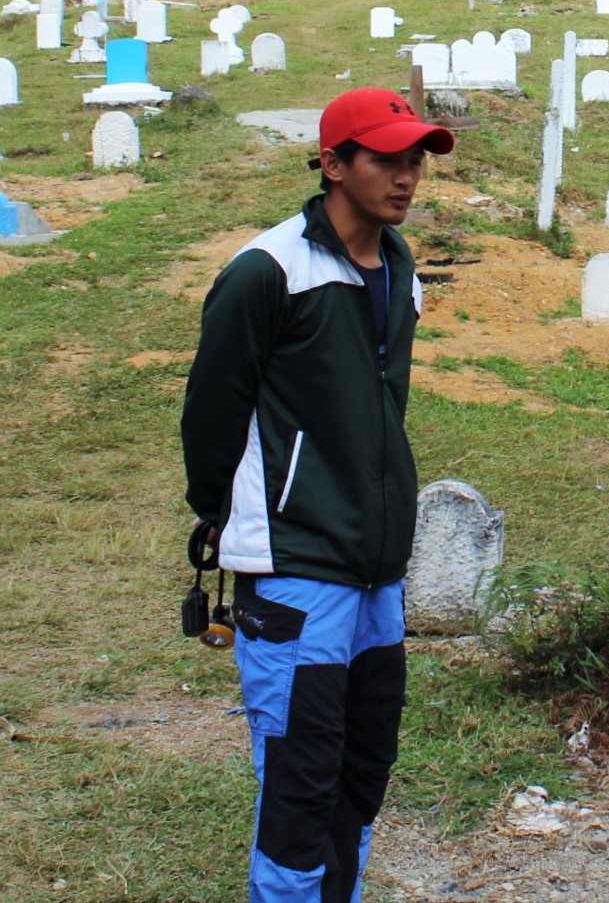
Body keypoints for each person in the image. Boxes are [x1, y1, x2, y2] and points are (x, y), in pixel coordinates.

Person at [181, 87, 452, 903]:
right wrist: (224, 515)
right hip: (296, 562)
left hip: (376, 567)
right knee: (300, 779)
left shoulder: (398, 267)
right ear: (333, 164)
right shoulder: (267, 272)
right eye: (385, 159)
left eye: (415, 160)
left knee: (361, 770)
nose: (405, 177)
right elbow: (212, 410)